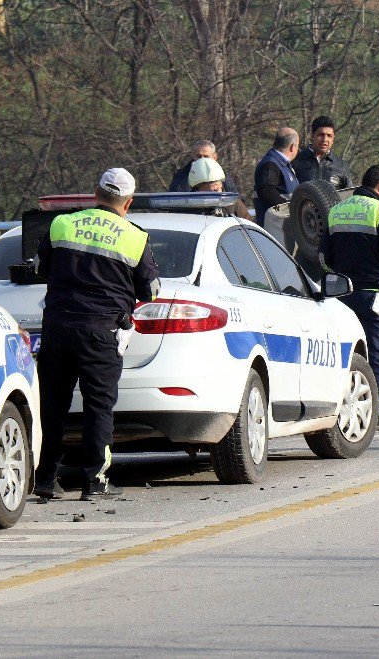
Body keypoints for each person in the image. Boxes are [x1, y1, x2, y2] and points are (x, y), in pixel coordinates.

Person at [35, 168, 160, 499]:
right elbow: (149, 291)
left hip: (59, 327)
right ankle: (94, 481)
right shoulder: (135, 237)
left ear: (95, 193)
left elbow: (41, 268)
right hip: (103, 331)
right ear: (128, 203)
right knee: (98, 406)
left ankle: (46, 478)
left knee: (52, 405)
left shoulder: (62, 224)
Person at [318, 165, 379, 430]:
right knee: (376, 355)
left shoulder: (336, 211)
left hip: (343, 296)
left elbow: (324, 259)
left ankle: (345, 408)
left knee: (347, 355)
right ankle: (378, 413)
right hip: (375, 296)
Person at [253, 127, 300, 221]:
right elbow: (267, 191)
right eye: (297, 146)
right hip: (274, 225)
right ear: (293, 147)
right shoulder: (271, 164)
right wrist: (290, 207)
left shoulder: (281, 163)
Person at [294, 116, 354, 189]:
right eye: (321, 135)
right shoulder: (296, 162)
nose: (325, 139)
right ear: (312, 136)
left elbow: (349, 197)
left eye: (329, 136)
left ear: (333, 139)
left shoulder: (342, 166)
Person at [168, 140, 238, 193]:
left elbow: (235, 199)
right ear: (193, 156)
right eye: (198, 156)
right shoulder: (182, 175)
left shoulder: (224, 176)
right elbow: (176, 197)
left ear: (214, 157)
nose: (202, 159)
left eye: (206, 156)